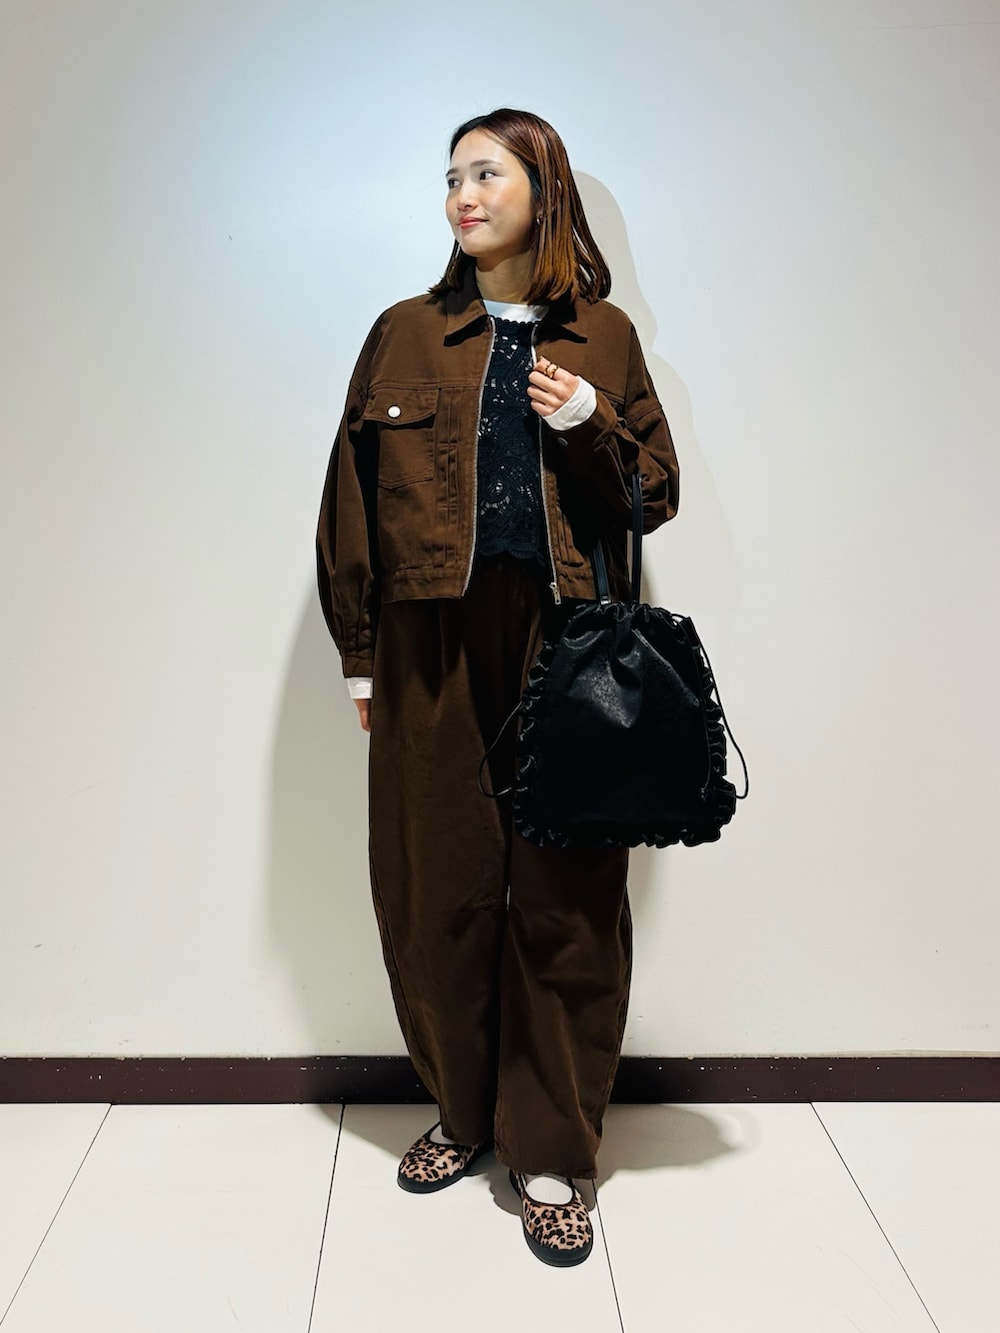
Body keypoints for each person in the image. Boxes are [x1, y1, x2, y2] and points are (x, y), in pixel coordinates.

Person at [316, 108, 679, 1267]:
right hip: (427, 642)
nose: (462, 196)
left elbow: (652, 493)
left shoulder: (605, 337)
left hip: (567, 647)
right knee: (434, 890)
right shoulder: (404, 332)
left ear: (543, 189)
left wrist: (588, 422)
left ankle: (553, 1148)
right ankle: (463, 1112)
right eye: (452, 177)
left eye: (487, 173)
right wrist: (360, 650)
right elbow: (349, 495)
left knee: (568, 896)